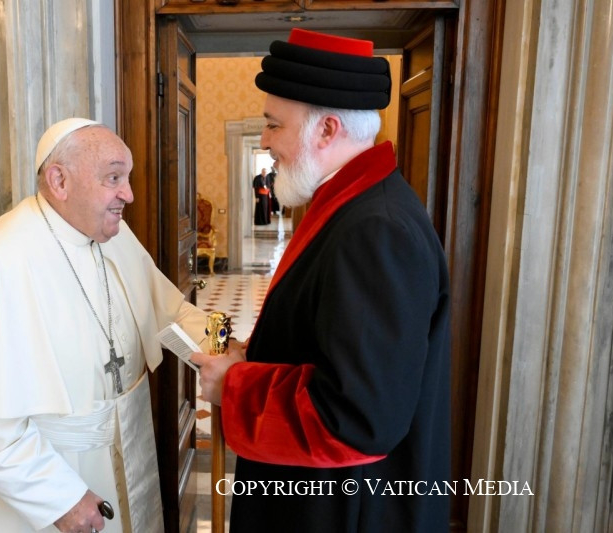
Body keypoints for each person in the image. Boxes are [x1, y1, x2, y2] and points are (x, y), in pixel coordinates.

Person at [192, 29, 451, 532]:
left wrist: (235, 385)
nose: (265, 141)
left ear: (327, 129)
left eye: (274, 125)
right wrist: (254, 355)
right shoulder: (354, 206)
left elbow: (357, 416)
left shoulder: (376, 229)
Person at [0, 118, 207, 533]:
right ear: (60, 181)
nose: (128, 194)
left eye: (127, 178)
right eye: (114, 178)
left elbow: (168, 312)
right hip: (49, 476)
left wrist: (220, 348)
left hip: (128, 449)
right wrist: (60, 498)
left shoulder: (113, 234)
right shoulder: (2, 262)